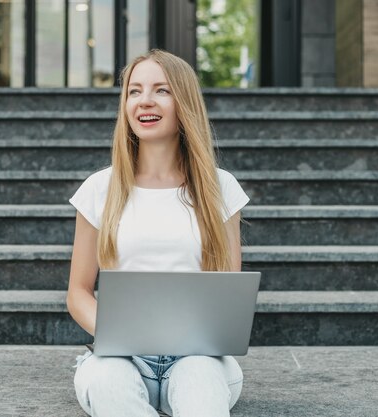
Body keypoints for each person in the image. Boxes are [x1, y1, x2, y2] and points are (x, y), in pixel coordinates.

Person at [67, 49, 250, 417]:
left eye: (161, 90)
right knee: (108, 384)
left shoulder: (221, 187)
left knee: (201, 391)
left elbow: (228, 292)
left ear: (184, 102)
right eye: (134, 91)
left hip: (198, 358)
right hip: (119, 357)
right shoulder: (99, 188)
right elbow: (78, 292)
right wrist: (120, 335)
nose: (144, 101)